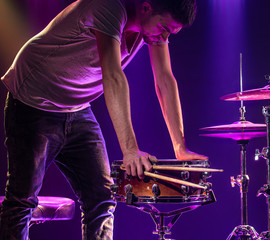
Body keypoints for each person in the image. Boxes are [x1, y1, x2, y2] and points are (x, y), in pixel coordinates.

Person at [0, 0, 207, 239]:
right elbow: (113, 75)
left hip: (76, 107)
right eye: (164, 29)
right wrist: (130, 149)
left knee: (102, 197)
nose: (164, 36)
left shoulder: (152, 30)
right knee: (22, 199)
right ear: (146, 7)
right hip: (33, 101)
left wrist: (180, 148)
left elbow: (165, 80)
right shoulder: (109, 6)